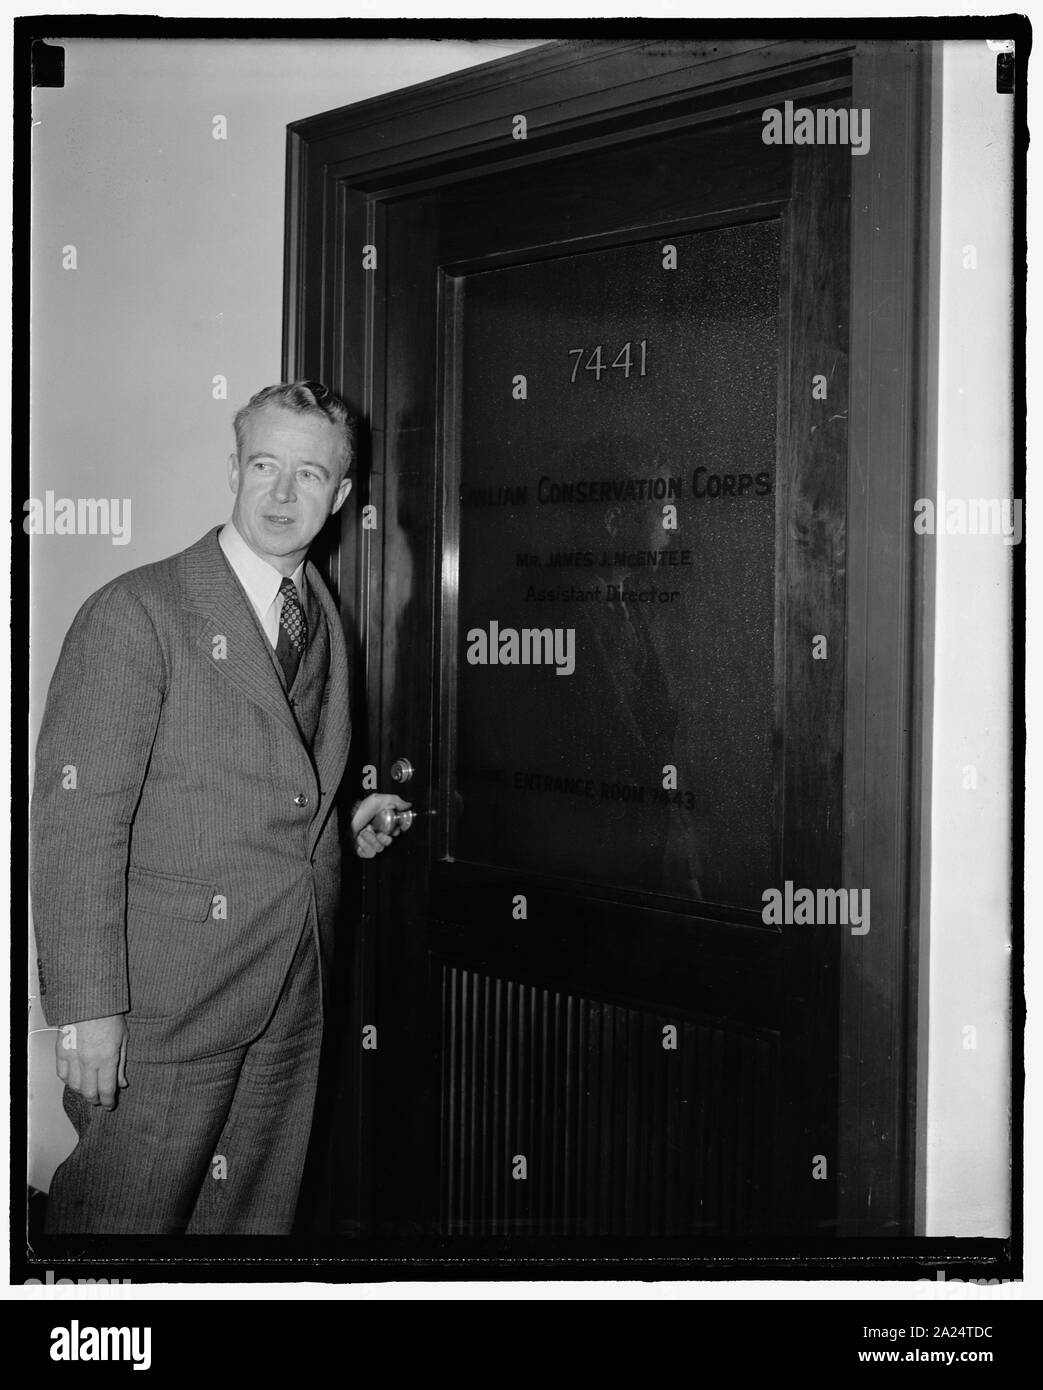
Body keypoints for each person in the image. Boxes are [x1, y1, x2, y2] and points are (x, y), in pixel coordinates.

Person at [30, 381, 407, 1235]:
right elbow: (77, 824)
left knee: (245, 1231)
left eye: (308, 475)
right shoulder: (137, 613)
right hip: (165, 1009)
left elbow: (270, 780)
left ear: (342, 495)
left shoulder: (320, 613)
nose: (281, 495)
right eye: (264, 466)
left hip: (288, 988)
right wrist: (88, 1011)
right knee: (121, 1232)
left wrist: (338, 821)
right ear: (233, 469)